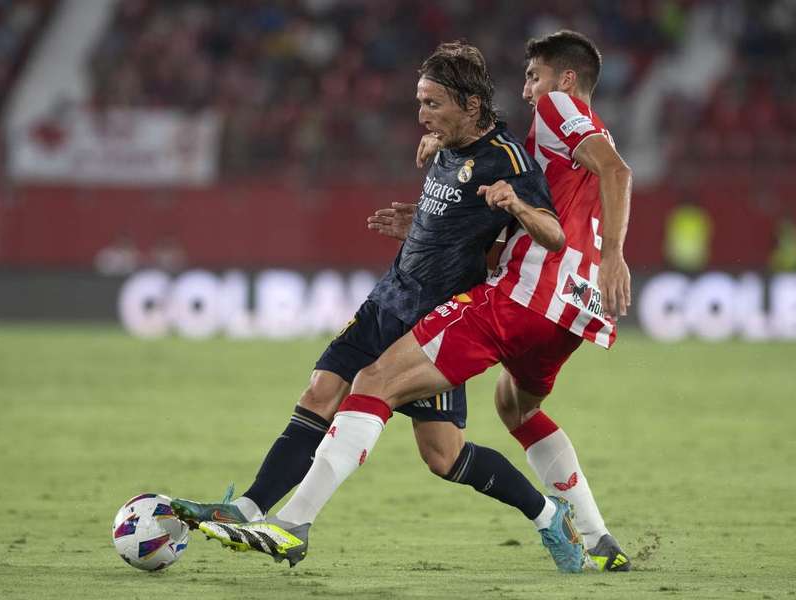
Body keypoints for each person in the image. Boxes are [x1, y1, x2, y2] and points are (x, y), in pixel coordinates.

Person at [199, 30, 634, 572]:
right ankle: (594, 537)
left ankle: (292, 524)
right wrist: (435, 218)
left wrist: (616, 254)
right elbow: (528, 204)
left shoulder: (558, 108)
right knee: (512, 409)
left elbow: (611, 174)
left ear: (566, 79)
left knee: (376, 384)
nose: (528, 90)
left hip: (525, 294)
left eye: (534, 76)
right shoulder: (545, 150)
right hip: (573, 309)